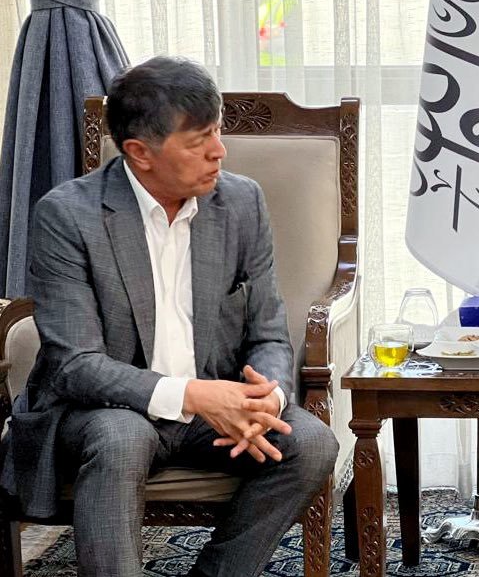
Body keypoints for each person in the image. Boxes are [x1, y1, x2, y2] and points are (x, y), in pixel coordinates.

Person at [1, 56, 338, 576]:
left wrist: (264, 398)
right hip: (99, 410)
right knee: (122, 437)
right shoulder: (67, 216)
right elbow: (75, 365)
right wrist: (196, 395)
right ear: (140, 152)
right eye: (199, 140)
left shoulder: (241, 202)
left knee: (310, 443)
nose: (219, 151)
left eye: (218, 131)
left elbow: (268, 331)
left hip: (211, 410)